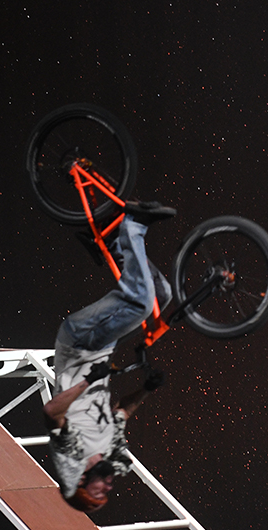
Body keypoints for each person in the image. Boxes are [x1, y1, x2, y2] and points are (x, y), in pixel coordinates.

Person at [43, 201, 176, 513]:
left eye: (99, 493)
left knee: (140, 304)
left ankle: (133, 224)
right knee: (162, 296)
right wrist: (146, 389)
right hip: (100, 348)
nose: (108, 488)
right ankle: (112, 242)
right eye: (106, 494)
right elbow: (121, 412)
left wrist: (87, 381)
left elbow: (51, 412)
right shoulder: (108, 450)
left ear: (81, 481)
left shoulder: (71, 452)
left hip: (78, 345)